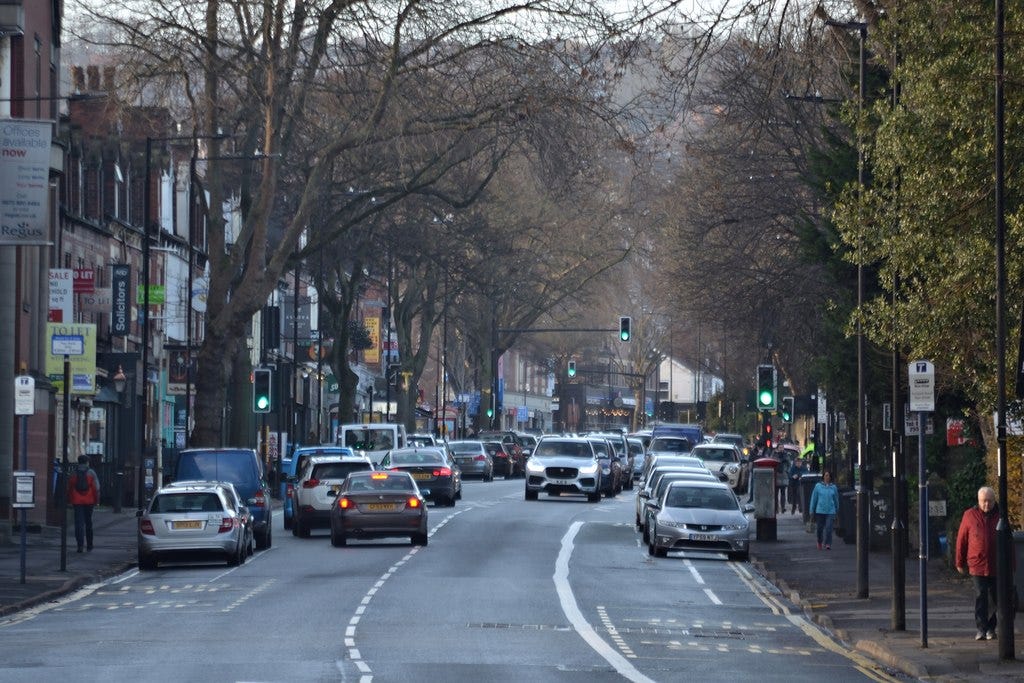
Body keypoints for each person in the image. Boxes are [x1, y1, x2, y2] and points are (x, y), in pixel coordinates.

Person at [955, 486, 1000, 641]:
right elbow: (962, 540)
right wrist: (959, 562)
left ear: (994, 501)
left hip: (996, 564)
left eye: (989, 501)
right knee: (981, 596)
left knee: (994, 598)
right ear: (978, 501)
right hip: (977, 564)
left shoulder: (1001, 516)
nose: (986, 504)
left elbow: (1009, 543)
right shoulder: (969, 515)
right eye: (983, 501)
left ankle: (991, 628)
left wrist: (1011, 565)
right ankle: (981, 628)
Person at [68, 455, 100, 553]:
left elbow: (69, 487)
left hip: (77, 501)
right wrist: (97, 501)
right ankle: (89, 545)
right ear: (87, 462)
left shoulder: (73, 473)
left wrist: (70, 500)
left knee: (79, 524)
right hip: (89, 501)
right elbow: (96, 488)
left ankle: (80, 546)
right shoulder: (91, 473)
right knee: (88, 523)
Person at [809, 470, 839, 550]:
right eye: (826, 475)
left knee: (829, 528)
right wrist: (811, 510)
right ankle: (819, 541)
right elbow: (814, 499)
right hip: (820, 511)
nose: (827, 477)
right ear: (823, 477)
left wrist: (837, 510)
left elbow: (836, 500)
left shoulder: (833, 487)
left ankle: (828, 543)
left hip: (830, 511)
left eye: (828, 475)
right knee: (819, 528)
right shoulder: (818, 486)